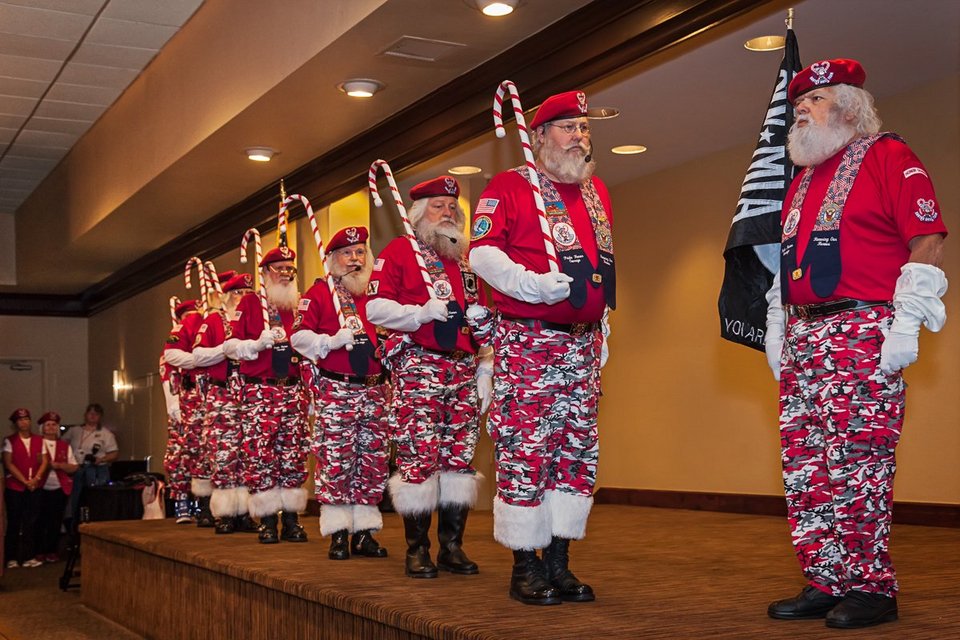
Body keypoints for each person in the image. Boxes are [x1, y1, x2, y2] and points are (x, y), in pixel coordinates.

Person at [763, 59, 948, 629]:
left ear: (848, 107)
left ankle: (872, 587)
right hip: (804, 334)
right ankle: (826, 578)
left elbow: (927, 239)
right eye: (798, 104)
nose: (800, 109)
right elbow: (790, 262)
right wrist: (776, 323)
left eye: (813, 100)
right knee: (806, 464)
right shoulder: (802, 181)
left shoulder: (889, 156)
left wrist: (906, 321)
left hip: (861, 330)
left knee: (857, 462)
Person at [469, 90, 614, 605]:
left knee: (574, 451)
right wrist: (531, 285)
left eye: (584, 127)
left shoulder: (595, 191)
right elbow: (482, 254)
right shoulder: (510, 186)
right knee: (527, 449)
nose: (580, 136)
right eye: (568, 127)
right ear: (539, 136)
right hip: (530, 340)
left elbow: (600, 267)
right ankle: (524, 566)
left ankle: (558, 563)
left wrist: (602, 325)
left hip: (582, 344)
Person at [366, 177, 492, 579]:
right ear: (420, 213)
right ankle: (417, 548)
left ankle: (451, 547)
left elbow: (480, 318)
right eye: (439, 206)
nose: (448, 213)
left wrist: (486, 364)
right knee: (419, 456)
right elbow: (374, 309)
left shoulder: (466, 260)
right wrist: (419, 313)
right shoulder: (401, 250)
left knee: (459, 458)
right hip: (420, 365)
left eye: (453, 207)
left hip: (463, 367)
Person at [291, 226, 391, 560]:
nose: (355, 259)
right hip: (338, 389)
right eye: (347, 253)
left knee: (372, 460)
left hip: (376, 390)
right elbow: (298, 337)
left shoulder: (376, 292)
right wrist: (329, 341)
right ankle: (338, 533)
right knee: (336, 459)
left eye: (360, 252)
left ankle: (364, 532)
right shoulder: (320, 292)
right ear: (333, 258)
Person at [224, 244, 309, 544]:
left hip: (293, 389)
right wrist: (256, 344)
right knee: (261, 455)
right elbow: (230, 347)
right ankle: (268, 520)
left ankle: (292, 519)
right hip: (261, 390)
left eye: (290, 269)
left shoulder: (299, 305)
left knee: (293, 454)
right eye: (279, 268)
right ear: (265, 273)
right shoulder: (251, 303)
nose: (286, 274)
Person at [192, 273, 260, 534]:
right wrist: (226, 349)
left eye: (248, 294)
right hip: (222, 395)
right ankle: (224, 513)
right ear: (229, 296)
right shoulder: (214, 320)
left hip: (250, 394)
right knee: (223, 453)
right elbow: (198, 355)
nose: (243, 298)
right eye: (239, 293)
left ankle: (245, 512)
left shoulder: (256, 320)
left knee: (249, 453)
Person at [161, 299, 200, 523]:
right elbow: (167, 377)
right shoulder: (175, 343)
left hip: (201, 403)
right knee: (179, 454)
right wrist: (172, 404)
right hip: (182, 404)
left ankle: (202, 501)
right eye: (188, 316)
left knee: (202, 453)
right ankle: (181, 501)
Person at [3, 408, 47, 568]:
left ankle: (29, 555)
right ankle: (11, 557)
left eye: (26, 419)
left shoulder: (39, 440)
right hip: (15, 487)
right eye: (20, 420)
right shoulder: (9, 441)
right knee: (14, 522)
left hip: (34, 486)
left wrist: (36, 478)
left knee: (31, 522)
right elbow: (9, 463)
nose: (24, 422)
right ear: (16, 423)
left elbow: (44, 461)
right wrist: (24, 481)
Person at [63, 403, 118, 522]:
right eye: (90, 413)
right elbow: (62, 445)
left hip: (96, 470)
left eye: (96, 414)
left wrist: (101, 459)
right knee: (75, 498)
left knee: (94, 498)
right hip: (77, 468)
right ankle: (73, 523)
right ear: (85, 414)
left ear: (100, 416)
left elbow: (114, 453)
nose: (93, 416)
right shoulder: (74, 431)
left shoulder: (106, 434)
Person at [36, 411, 77, 563]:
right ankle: (39, 551)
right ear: (42, 428)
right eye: (48, 425)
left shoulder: (64, 446)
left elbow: (74, 466)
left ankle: (52, 550)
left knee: (55, 521)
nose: (51, 427)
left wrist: (59, 466)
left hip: (59, 488)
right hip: (40, 487)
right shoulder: (37, 444)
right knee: (40, 520)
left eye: (54, 424)